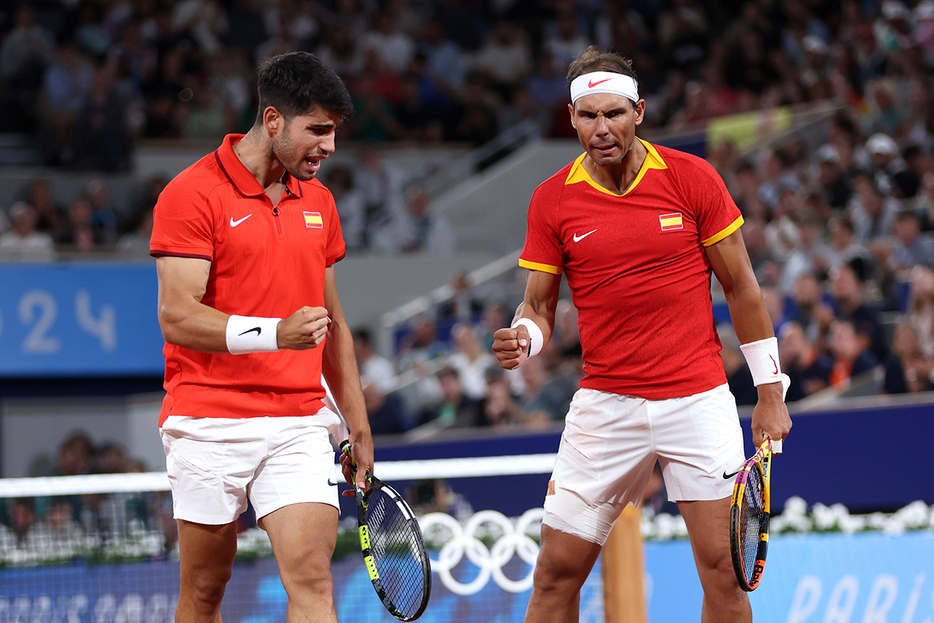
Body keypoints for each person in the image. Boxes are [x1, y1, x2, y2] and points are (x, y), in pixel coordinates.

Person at [492, 47, 791, 623]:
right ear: (573, 119)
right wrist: (523, 338)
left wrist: (770, 391)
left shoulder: (692, 177)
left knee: (725, 574)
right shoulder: (552, 199)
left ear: (639, 112)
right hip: (606, 407)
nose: (601, 129)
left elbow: (744, 289)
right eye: (587, 116)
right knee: (555, 573)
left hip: (697, 401)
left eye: (614, 114)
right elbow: (537, 306)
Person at [149, 51, 373, 623]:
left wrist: (357, 421)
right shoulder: (191, 193)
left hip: (297, 421)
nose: (327, 146)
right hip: (209, 419)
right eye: (316, 130)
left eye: (334, 132)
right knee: (204, 591)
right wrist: (274, 334)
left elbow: (335, 323)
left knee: (313, 580)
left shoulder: (319, 200)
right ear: (273, 120)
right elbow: (177, 315)